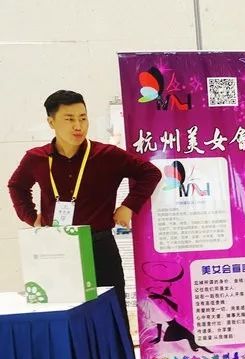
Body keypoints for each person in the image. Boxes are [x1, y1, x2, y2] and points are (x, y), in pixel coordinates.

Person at [8, 90, 160, 328]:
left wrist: (129, 206)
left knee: (111, 316)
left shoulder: (107, 155)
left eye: (83, 118)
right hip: (55, 247)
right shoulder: (36, 158)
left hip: (99, 246)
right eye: (69, 119)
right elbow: (17, 186)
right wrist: (31, 217)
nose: (78, 126)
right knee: (61, 315)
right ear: (51, 122)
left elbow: (150, 173)